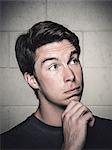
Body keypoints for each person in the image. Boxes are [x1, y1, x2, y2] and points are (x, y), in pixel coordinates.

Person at [1, 21, 112, 150]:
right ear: (32, 80)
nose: (70, 76)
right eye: (54, 66)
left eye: (73, 60)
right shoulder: (8, 144)